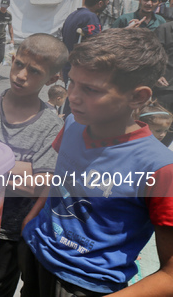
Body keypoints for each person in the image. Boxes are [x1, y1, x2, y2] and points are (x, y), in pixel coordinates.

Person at [21, 28, 173, 296]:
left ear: (138, 97)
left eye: (90, 89)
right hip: (38, 254)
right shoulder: (71, 125)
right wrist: (32, 221)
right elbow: (60, 179)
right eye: (72, 83)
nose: (73, 97)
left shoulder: (159, 168)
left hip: (85, 283)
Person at [0, 33, 69, 297]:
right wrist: (22, 168)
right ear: (12, 58)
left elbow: (37, 186)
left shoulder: (52, 126)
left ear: (52, 79)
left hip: (10, 230)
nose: (20, 75)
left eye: (34, 71)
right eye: (19, 64)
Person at [153, 20, 173, 145]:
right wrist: (156, 75)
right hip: (165, 89)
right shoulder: (164, 30)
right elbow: (152, 55)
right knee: (159, 127)